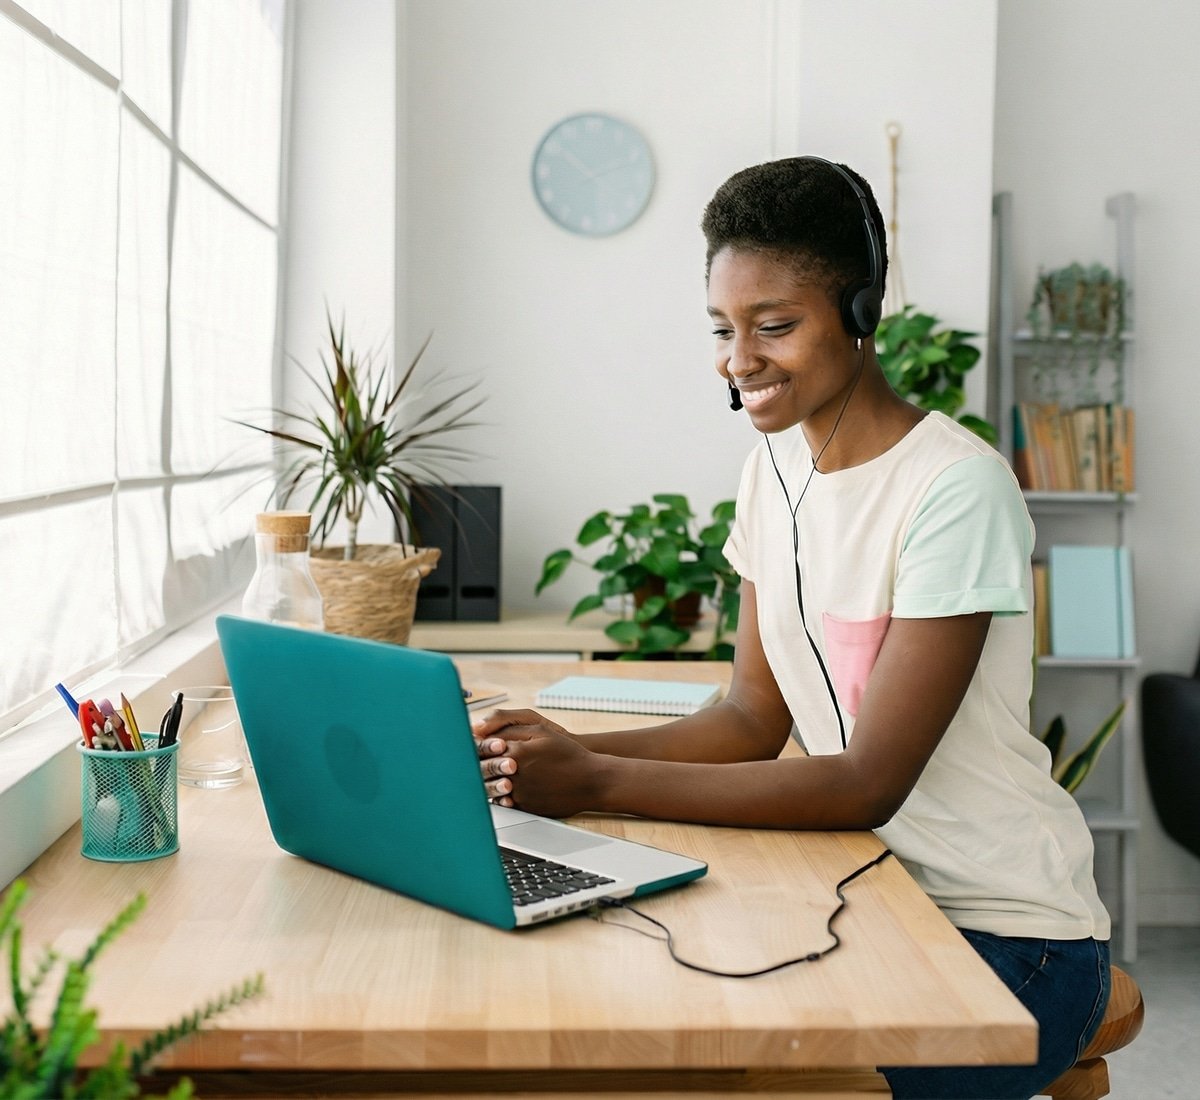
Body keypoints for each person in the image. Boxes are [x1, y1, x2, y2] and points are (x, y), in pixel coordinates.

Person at [475, 156, 1111, 1100]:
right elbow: (747, 720)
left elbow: (867, 781)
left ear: (861, 313)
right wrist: (561, 755)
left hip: (1006, 935)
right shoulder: (767, 474)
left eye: (775, 326)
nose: (740, 359)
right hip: (863, 892)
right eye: (724, 330)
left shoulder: (954, 487)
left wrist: (599, 780)